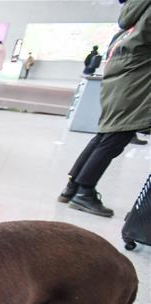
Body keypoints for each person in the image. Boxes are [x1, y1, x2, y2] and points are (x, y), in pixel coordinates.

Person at [58, 0, 151, 217]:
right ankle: (84, 192)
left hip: (121, 78)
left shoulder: (132, 14)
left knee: (104, 136)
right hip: (134, 80)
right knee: (115, 138)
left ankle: (72, 187)